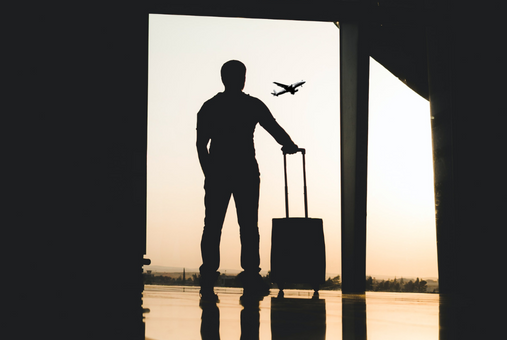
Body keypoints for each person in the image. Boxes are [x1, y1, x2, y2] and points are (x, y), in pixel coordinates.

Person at [196, 60, 299, 301]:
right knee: (249, 227)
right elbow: (273, 127)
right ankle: (251, 274)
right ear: (242, 78)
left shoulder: (210, 107)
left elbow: (202, 145)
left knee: (212, 226)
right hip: (245, 171)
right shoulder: (251, 105)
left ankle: (208, 275)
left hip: (218, 171)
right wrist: (290, 145)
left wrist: (209, 173)